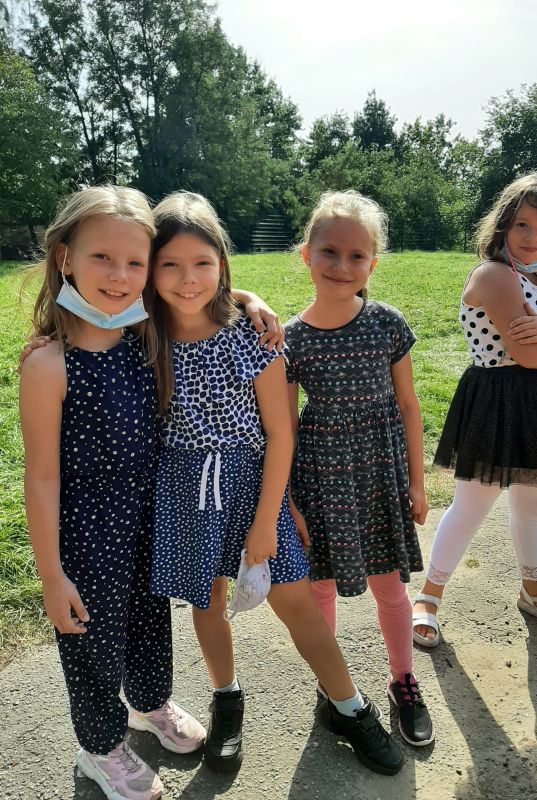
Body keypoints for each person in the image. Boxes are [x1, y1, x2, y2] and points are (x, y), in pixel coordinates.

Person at [146, 191, 404, 776]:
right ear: (152, 269)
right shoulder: (147, 335)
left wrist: (267, 521)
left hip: (253, 484)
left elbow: (281, 434)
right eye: (171, 264)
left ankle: (349, 706)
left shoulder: (252, 335)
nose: (188, 279)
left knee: (297, 604)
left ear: (222, 264)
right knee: (208, 602)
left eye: (203, 263)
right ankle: (227, 699)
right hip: (186, 488)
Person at [19, 186, 207, 800]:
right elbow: (41, 477)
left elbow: (206, 297)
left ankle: (150, 703)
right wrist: (52, 576)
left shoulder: (147, 336)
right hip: (85, 540)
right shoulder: (49, 363)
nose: (120, 276)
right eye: (102, 257)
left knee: (151, 625)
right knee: (92, 648)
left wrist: (252, 301)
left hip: (146, 525)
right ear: (65, 257)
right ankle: (100, 748)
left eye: (135, 262)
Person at [412, 172, 537, 648]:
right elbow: (529, 355)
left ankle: (535, 592)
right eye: (522, 225)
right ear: (502, 227)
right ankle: (428, 597)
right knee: (472, 505)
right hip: (497, 402)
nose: (533, 236)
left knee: (533, 504)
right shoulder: (493, 275)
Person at [285, 190, 435, 748]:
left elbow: (409, 406)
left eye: (356, 255)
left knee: (390, 587)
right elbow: (285, 428)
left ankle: (403, 681)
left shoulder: (387, 324)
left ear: (373, 263)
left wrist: (417, 481)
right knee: (320, 587)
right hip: (320, 479)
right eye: (329, 252)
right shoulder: (290, 339)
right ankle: (332, 686)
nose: (342, 266)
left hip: (379, 474)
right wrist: (289, 503)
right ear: (306, 254)